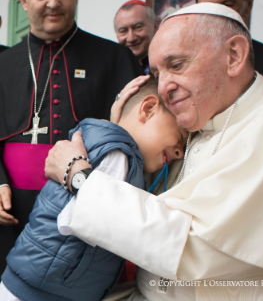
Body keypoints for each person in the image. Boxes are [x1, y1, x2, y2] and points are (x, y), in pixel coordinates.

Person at [45, 3, 263, 301]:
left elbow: (194, 249)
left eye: (176, 65)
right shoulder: (195, 119)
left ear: (233, 56)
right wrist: (120, 131)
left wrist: (79, 177)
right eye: (156, 73)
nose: (162, 87)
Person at [0, 0, 144, 275]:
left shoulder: (115, 59)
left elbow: (135, 142)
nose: (53, 3)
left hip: (83, 215)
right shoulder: (2, 64)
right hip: (9, 214)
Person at [0, 77, 187, 301]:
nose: (180, 153)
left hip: (38, 281)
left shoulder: (101, 141)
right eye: (180, 137)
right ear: (147, 109)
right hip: (46, 290)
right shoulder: (118, 155)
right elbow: (79, 220)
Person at [114, 0, 159, 75]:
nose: (131, 38)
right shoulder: (111, 69)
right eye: (123, 31)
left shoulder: (170, 63)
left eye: (138, 27)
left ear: (155, 26)